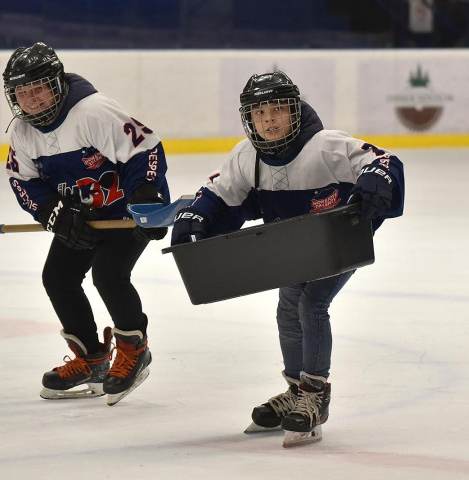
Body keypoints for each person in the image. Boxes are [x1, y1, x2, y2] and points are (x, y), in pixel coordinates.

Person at [171, 71, 405, 443]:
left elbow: (383, 161)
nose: (268, 120)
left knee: (312, 302)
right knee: (288, 308)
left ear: (294, 110)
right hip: (294, 246)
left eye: (277, 110)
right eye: (259, 113)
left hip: (337, 240)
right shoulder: (247, 156)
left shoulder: (326, 145)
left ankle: (315, 395)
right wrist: (194, 216)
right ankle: (297, 390)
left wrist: (377, 179)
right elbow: (217, 193)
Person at [2, 42, 170, 405]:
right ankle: (92, 359)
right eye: (22, 93)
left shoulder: (93, 111)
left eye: (38, 89)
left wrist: (146, 196)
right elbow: (23, 180)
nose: (31, 100)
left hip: (126, 211)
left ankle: (134, 350)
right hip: (81, 216)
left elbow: (146, 149)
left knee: (108, 275)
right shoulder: (22, 132)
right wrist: (52, 211)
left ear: (57, 83)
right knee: (57, 278)